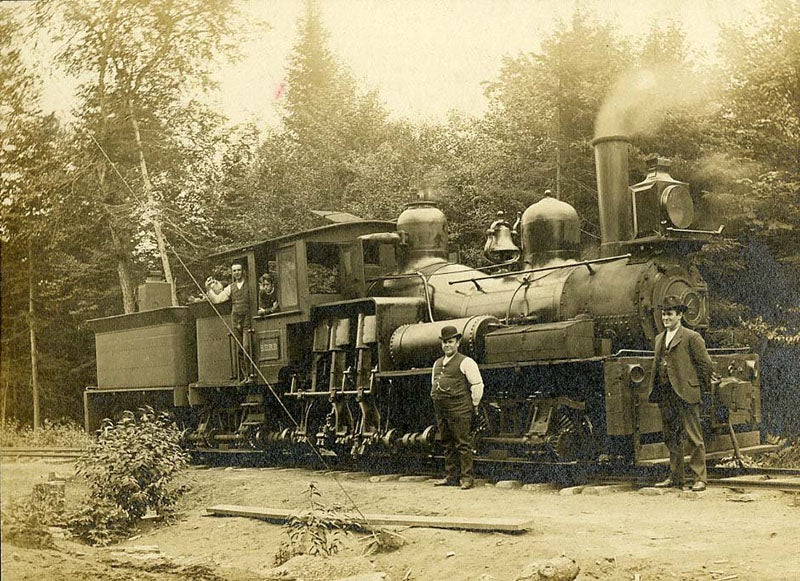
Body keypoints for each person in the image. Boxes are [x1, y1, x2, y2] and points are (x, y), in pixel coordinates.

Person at [648, 295, 714, 492]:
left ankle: (699, 478)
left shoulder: (691, 337)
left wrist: (697, 388)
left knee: (694, 436)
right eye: (663, 314)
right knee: (671, 436)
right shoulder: (660, 338)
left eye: (669, 314)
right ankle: (676, 477)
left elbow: (705, 365)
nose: (665, 318)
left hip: (686, 392)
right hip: (666, 392)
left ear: (679, 315)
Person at [430, 325, 484, 490]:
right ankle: (451, 476)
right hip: (442, 409)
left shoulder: (466, 362)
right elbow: (434, 383)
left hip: (459, 408)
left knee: (462, 443)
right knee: (447, 442)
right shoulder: (437, 363)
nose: (447, 345)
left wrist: (474, 404)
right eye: (444, 342)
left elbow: (477, 384)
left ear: (458, 342)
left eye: (450, 342)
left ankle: (467, 478)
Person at [205, 262, 252, 379]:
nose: (237, 272)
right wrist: (208, 289)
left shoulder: (250, 285)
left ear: (243, 271)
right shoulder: (231, 287)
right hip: (236, 319)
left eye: (239, 270)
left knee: (247, 346)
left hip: (247, 319)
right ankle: (244, 376)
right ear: (232, 273)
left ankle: (251, 374)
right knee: (239, 348)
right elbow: (217, 299)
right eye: (235, 270)